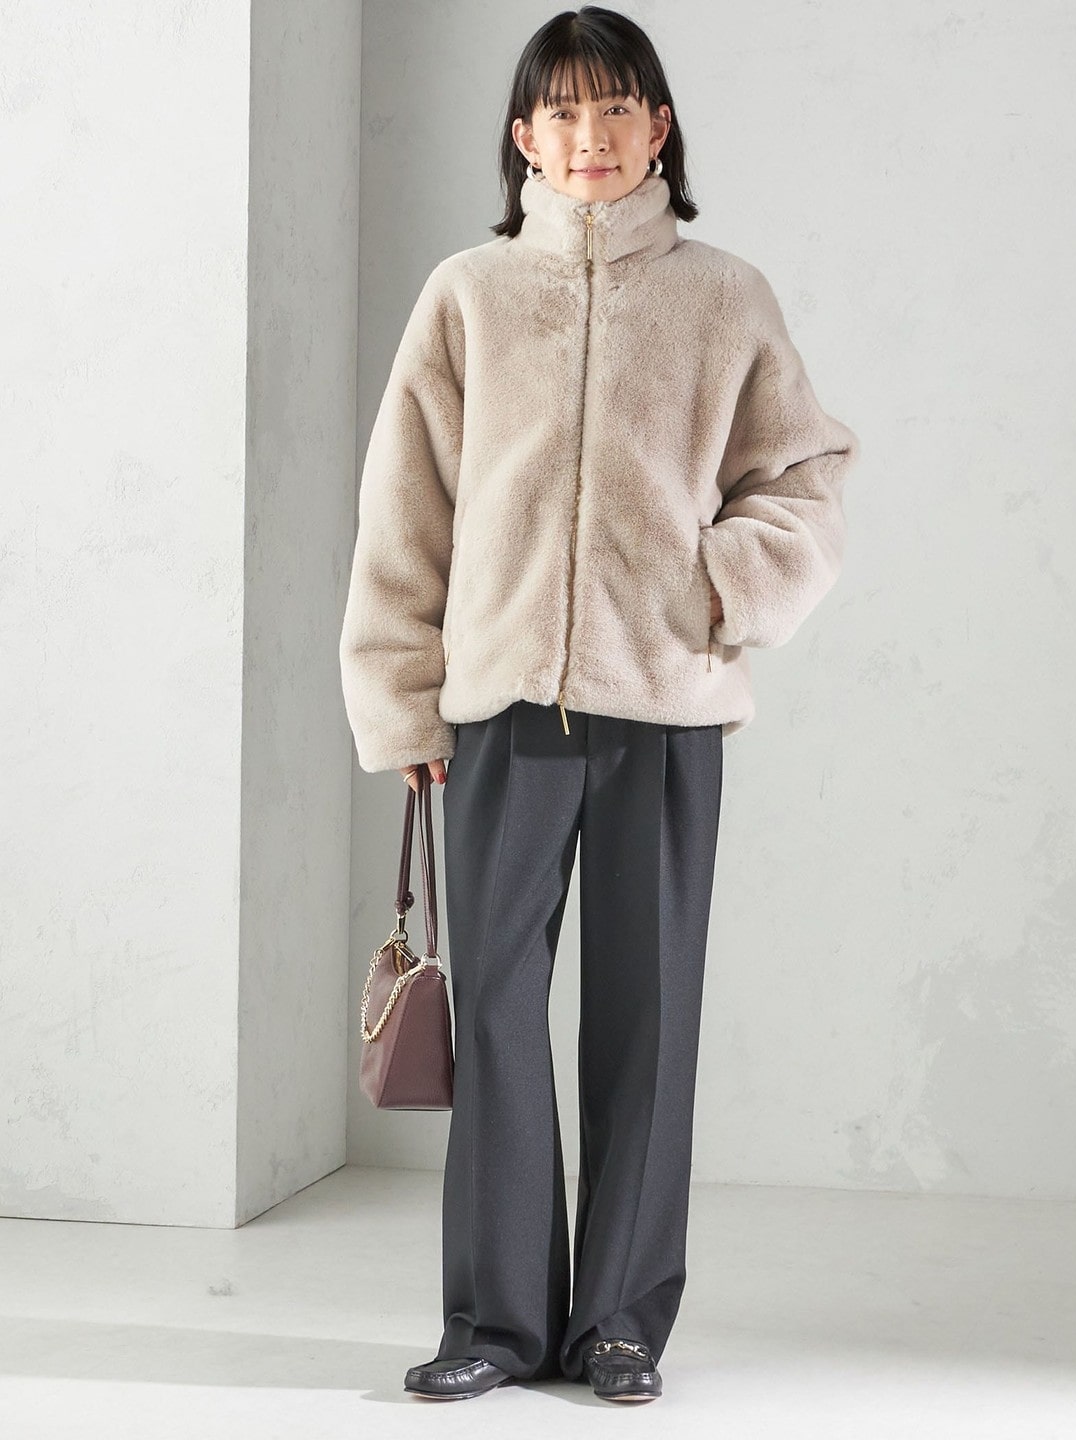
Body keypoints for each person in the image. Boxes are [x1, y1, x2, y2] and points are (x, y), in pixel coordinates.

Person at [338, 4, 859, 1406]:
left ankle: (619, 1321)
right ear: (524, 136)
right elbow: (404, 513)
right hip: (500, 712)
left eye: (616, 108)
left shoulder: (725, 297)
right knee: (499, 1017)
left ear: (658, 128)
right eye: (562, 111)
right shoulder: (468, 295)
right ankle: (497, 1324)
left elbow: (805, 477)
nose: (590, 135)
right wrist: (407, 702)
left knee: (648, 1015)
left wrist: (718, 589)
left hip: (664, 713)